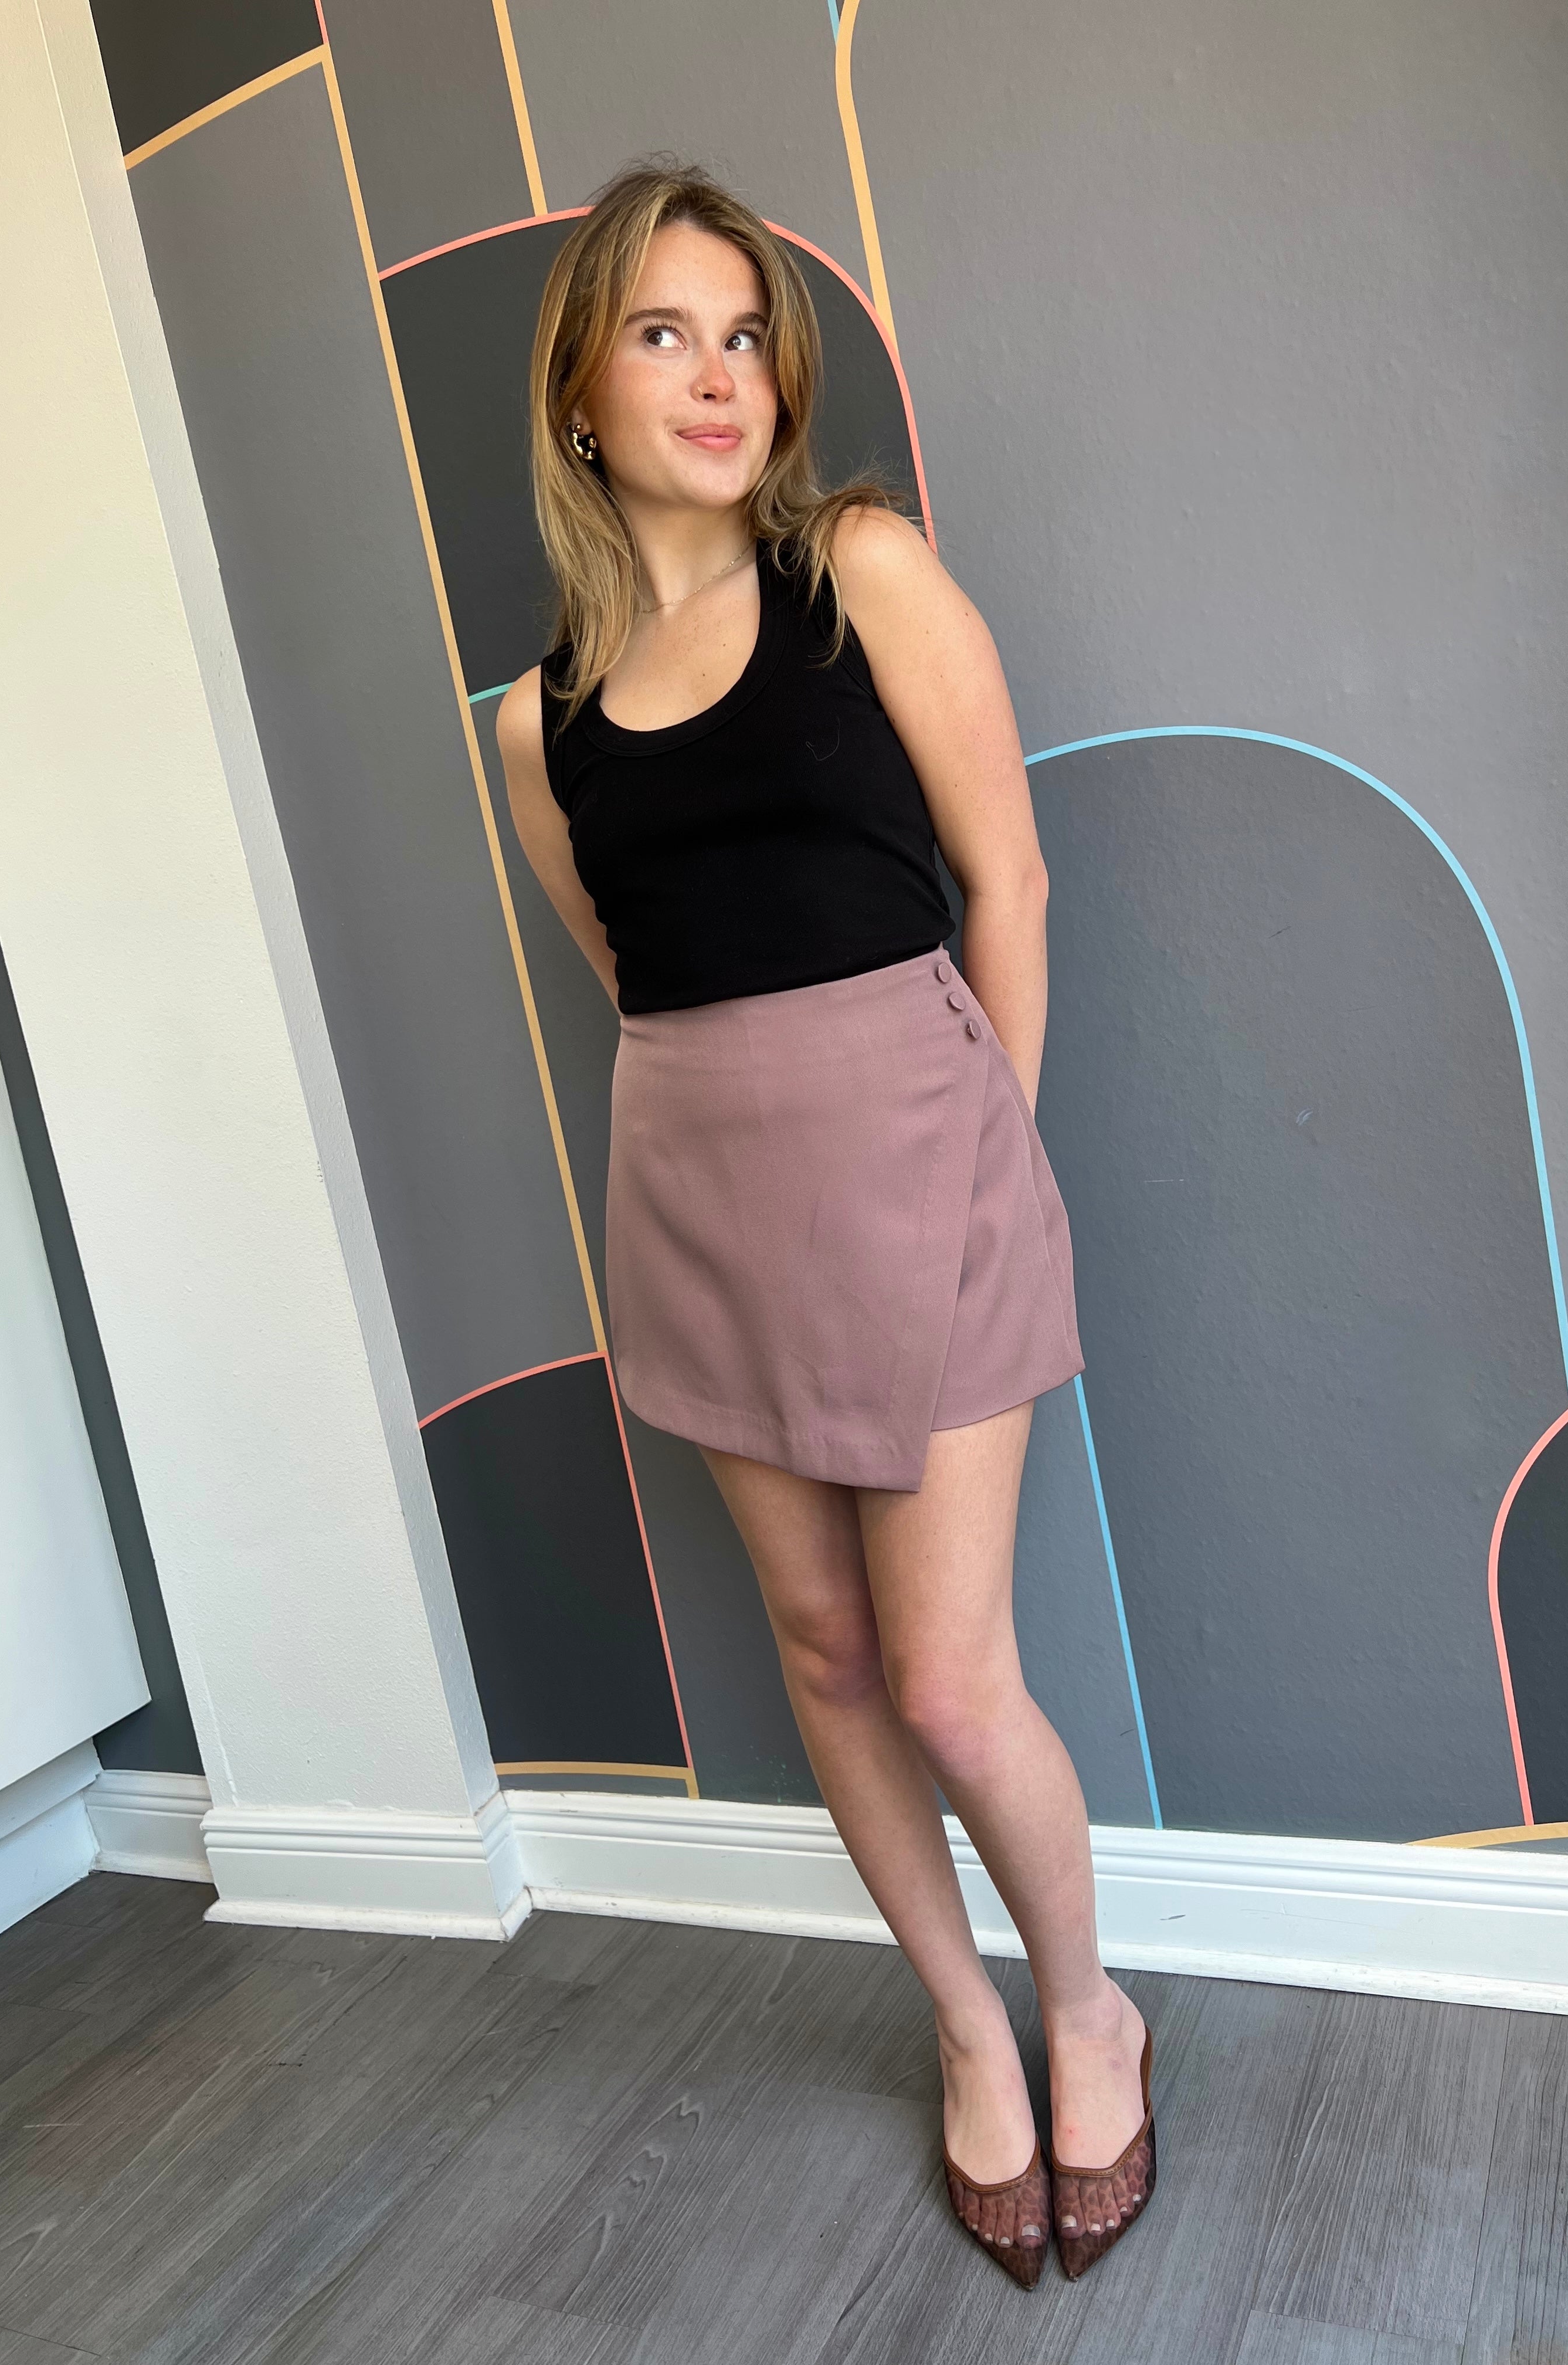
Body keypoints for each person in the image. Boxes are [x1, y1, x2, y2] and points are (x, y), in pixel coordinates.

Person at [496, 163, 1155, 2290]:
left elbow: (1008, 883)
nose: (720, 377)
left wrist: (996, 1151)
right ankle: (965, 2026)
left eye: (746, 338)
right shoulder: (535, 724)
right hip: (699, 1191)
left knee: (953, 1678)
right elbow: (634, 971)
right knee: (828, 1653)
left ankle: (1087, 2010)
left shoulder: (860, 569)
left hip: (926, 1159)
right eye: (663, 334)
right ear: (581, 392)